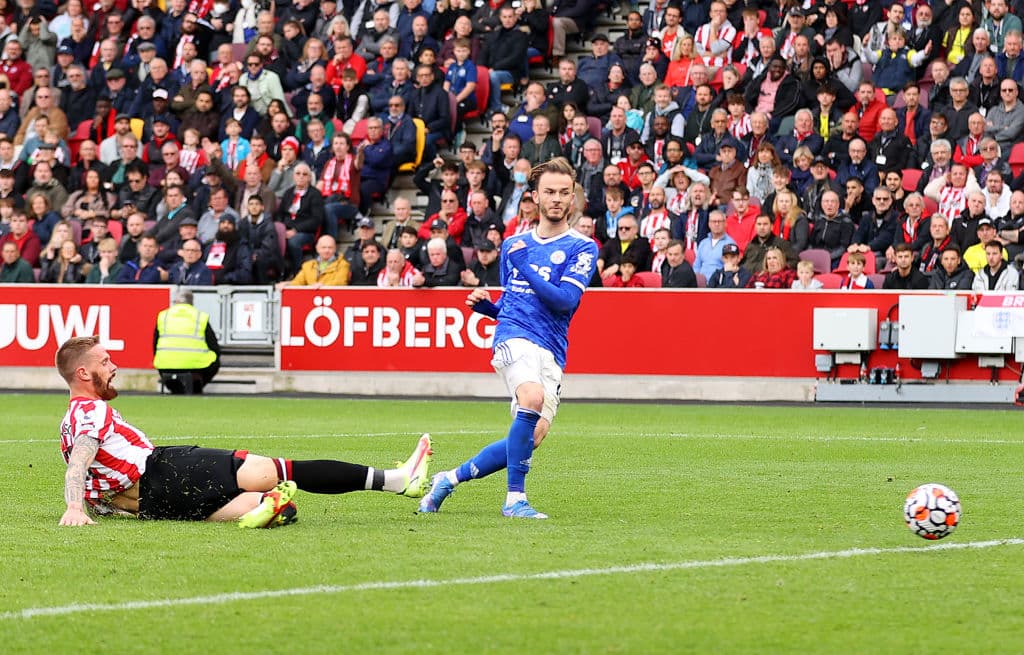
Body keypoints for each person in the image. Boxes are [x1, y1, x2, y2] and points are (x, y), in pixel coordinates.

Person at [55, 334, 433, 527]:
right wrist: (74, 507)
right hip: (166, 469)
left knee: (242, 504)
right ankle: (398, 480)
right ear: (84, 373)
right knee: (285, 468)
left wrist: (91, 504)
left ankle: (269, 505)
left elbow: (84, 468)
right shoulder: (90, 410)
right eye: (105, 362)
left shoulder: (68, 420)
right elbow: (79, 464)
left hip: (153, 506)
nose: (114, 366)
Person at [419, 157, 598, 519]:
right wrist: (493, 311)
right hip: (514, 337)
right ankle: (515, 499)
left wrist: (505, 289)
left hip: (551, 347)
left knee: (530, 437)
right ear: (533, 196)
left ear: (573, 198)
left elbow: (563, 302)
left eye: (565, 192)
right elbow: (517, 305)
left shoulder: (583, 248)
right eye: (549, 191)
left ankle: (448, 479)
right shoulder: (515, 244)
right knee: (531, 398)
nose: (557, 199)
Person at [153, 288, 220, 394]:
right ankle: (196, 386)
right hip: (196, 367)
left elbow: (155, 343)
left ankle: (174, 388)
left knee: (161, 358)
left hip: (165, 364)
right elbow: (214, 346)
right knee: (215, 360)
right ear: (191, 302)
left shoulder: (163, 316)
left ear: (175, 301)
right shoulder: (200, 317)